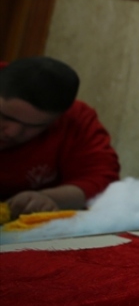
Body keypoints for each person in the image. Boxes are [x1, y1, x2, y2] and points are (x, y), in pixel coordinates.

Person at [0, 57, 119, 214]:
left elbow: (102, 180)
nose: (12, 132)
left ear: (57, 119)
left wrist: (48, 198)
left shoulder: (76, 120)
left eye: (32, 126)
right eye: (4, 116)